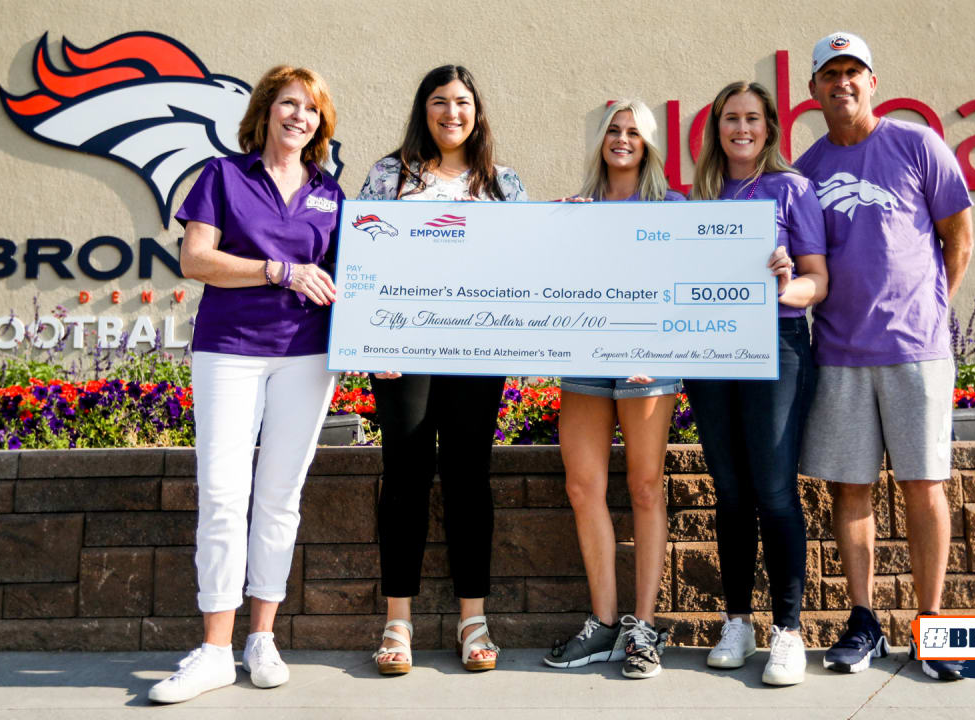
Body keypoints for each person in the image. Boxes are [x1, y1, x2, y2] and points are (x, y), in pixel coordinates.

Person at [148, 66, 344, 704]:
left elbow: (356, 279)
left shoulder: (332, 194)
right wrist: (277, 270)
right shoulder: (222, 176)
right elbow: (196, 259)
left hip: (309, 355)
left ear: (321, 123)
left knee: (281, 496)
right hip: (229, 351)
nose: (300, 117)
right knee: (224, 494)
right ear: (265, 112)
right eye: (289, 104)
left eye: (311, 110)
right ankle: (213, 651)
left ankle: (261, 638)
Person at [795, 32, 974, 682]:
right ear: (813, 91)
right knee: (852, 489)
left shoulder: (917, 145)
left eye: (854, 72)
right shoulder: (807, 169)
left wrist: (933, 307)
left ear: (873, 82)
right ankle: (864, 620)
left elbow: (959, 234)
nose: (842, 83)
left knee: (924, 486)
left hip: (916, 354)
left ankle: (932, 625)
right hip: (839, 353)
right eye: (830, 74)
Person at [357, 65, 526, 675]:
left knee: (467, 478)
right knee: (403, 474)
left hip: (477, 353)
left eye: (461, 102)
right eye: (438, 102)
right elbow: (363, 259)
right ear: (421, 109)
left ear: (477, 110)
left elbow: (525, 267)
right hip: (401, 351)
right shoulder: (388, 175)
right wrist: (372, 339)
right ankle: (396, 621)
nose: (451, 112)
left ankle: (471, 619)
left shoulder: (504, 185)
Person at [685, 81, 829, 686]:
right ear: (716, 128)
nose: (741, 129)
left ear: (769, 126)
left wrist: (782, 284)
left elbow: (817, 283)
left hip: (777, 345)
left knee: (773, 491)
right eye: (730, 119)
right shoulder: (697, 196)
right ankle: (738, 621)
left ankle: (789, 632)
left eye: (752, 119)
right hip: (711, 350)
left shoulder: (793, 188)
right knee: (730, 492)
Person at [542, 100, 683, 680]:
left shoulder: (671, 207)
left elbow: (686, 282)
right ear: (599, 138)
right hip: (586, 354)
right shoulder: (580, 208)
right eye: (612, 131)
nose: (621, 140)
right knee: (583, 486)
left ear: (648, 143)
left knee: (646, 486)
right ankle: (602, 625)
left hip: (649, 359)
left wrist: (666, 348)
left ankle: (643, 628)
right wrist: (557, 230)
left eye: (633, 132)